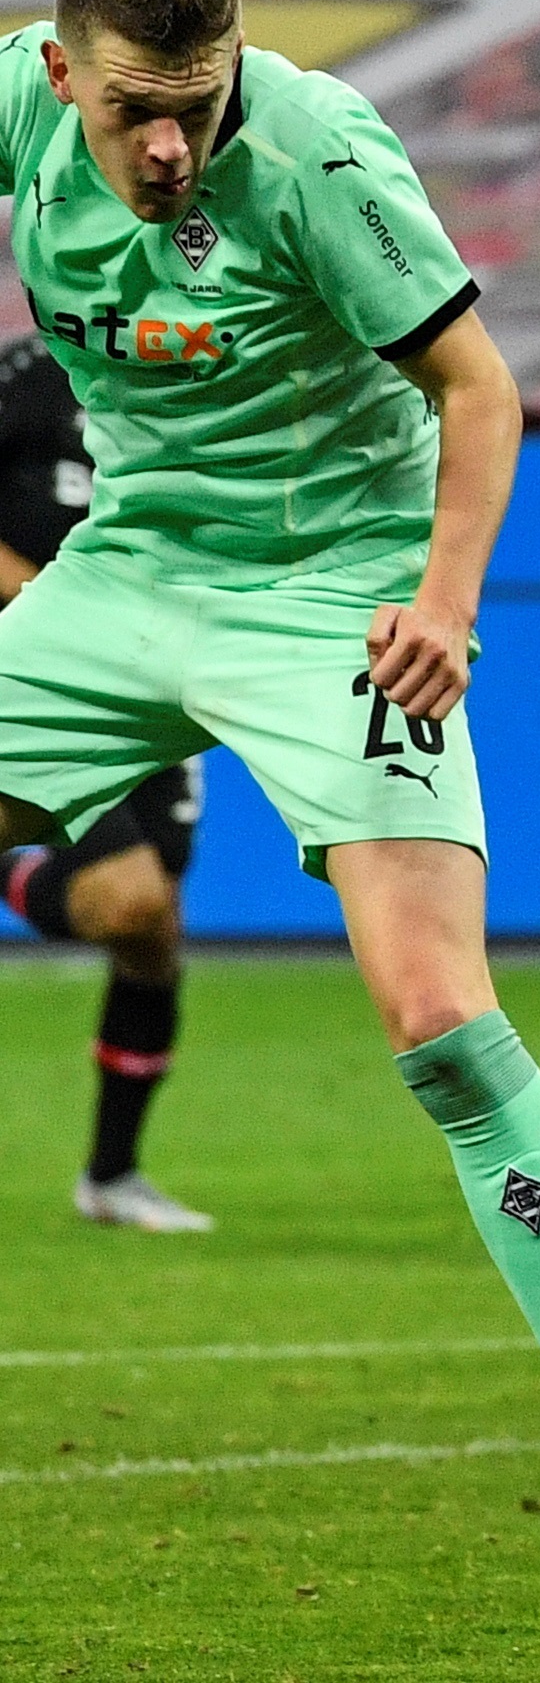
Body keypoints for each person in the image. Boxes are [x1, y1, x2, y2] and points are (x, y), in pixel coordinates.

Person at [0, 0, 540, 1615]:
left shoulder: (319, 154)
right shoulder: (23, 103)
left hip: (341, 592)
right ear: (60, 71)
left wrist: (442, 603)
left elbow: (481, 391)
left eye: (198, 96)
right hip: (130, 573)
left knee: (439, 1019)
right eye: (133, 110)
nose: (170, 142)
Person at [0, 332, 212, 1231]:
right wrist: (47, 603)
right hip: (30, 670)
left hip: (154, 677)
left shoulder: (199, 381)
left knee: (153, 927)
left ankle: (112, 1177)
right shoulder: (28, 381)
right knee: (127, 900)